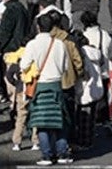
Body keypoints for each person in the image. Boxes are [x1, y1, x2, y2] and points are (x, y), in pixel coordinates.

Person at [21, 13, 73, 165]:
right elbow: (64, 67)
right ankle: (63, 153)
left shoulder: (32, 44)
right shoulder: (59, 44)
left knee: (42, 122)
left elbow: (24, 65)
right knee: (60, 122)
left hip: (40, 86)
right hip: (57, 85)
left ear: (38, 27)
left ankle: (47, 155)